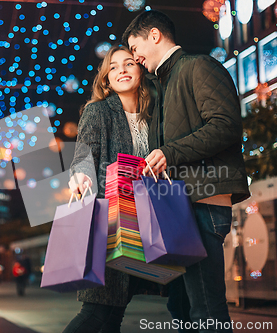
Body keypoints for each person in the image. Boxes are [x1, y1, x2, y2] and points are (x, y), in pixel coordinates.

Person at [123, 10, 250, 333]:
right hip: (181, 206)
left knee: (206, 309)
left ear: (154, 35)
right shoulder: (162, 84)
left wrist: (168, 153)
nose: (134, 57)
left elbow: (226, 126)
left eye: (135, 47)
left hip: (204, 201)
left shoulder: (198, 67)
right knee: (180, 305)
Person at [64, 45, 158, 333]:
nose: (122, 70)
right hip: (113, 220)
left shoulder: (154, 115)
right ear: (106, 79)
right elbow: (83, 155)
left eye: (129, 63)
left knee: (114, 314)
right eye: (114, 67)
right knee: (96, 310)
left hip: (146, 222)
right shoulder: (99, 111)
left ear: (140, 69)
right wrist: (80, 176)